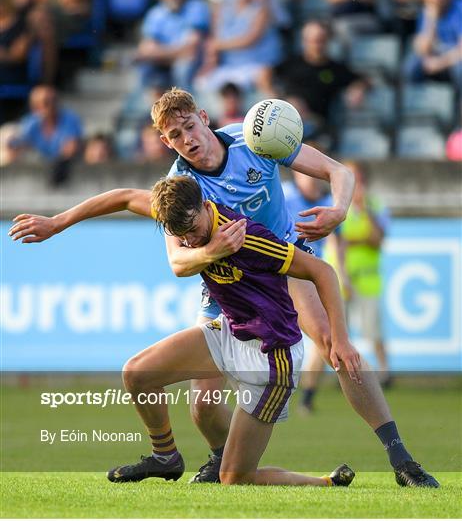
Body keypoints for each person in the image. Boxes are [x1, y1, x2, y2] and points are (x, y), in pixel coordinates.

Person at [9, 88, 440, 488]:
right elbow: (137, 211)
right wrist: (58, 222)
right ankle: (222, 461)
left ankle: (400, 457)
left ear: (203, 117)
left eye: (190, 127)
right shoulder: (181, 188)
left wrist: (340, 209)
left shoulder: (256, 138)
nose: (187, 139)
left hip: (283, 260)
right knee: (203, 407)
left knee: (334, 343)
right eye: (174, 136)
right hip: (225, 283)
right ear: (165, 141)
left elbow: (337, 171)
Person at [114, 175, 356, 486]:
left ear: (204, 206)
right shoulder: (196, 232)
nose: (189, 242)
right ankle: (166, 457)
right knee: (136, 373)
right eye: (180, 237)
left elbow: (321, 271)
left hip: (272, 354)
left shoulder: (247, 236)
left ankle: (324, 483)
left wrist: (341, 339)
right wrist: (58, 223)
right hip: (231, 333)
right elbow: (173, 255)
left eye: (192, 231)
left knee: (234, 478)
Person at [300, 161, 392, 414]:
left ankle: (385, 381)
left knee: (374, 334)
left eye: (358, 178)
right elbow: (334, 243)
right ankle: (308, 393)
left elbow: (378, 239)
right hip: (338, 282)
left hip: (367, 282)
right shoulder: (333, 205)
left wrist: (363, 211)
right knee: (327, 338)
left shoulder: (374, 206)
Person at [282, 171, 334, 413]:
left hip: (312, 278)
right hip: (283, 274)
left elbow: (337, 241)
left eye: (313, 174)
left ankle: (307, 395)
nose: (311, 179)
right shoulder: (283, 194)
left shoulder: (328, 204)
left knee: (325, 339)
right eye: (305, 173)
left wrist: (340, 273)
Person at [272, 21, 369, 128]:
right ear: (304, 41)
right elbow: (264, 74)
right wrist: (281, 100)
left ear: (328, 41)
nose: (317, 45)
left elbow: (363, 79)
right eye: (312, 41)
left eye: (321, 40)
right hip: (286, 119)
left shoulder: (336, 69)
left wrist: (358, 87)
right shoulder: (290, 64)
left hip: (317, 125)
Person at [194, 0, 282, 94]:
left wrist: (219, 45)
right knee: (200, 82)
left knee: (264, 79)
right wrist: (210, 63)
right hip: (227, 66)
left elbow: (251, 38)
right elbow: (214, 39)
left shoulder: (262, 10)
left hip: (255, 64)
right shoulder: (222, 9)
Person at [134, 0, 210, 92]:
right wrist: (175, 54)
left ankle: (186, 106)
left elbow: (191, 48)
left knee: (182, 67)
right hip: (163, 62)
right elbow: (145, 49)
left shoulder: (196, 7)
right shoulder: (155, 13)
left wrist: (158, 53)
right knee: (145, 68)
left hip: (190, 63)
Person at [7, 85, 82, 185]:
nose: (51, 105)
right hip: (37, 175)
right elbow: (16, 146)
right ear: (35, 106)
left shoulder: (70, 119)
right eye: (46, 102)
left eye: (54, 100)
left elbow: (70, 149)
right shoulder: (30, 123)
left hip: (65, 172)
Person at [404, 0, 462, 89]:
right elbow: (423, 49)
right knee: (412, 65)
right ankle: (413, 102)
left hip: (453, 58)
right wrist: (431, 19)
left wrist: (440, 63)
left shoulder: (459, 7)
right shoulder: (425, 12)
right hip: (438, 56)